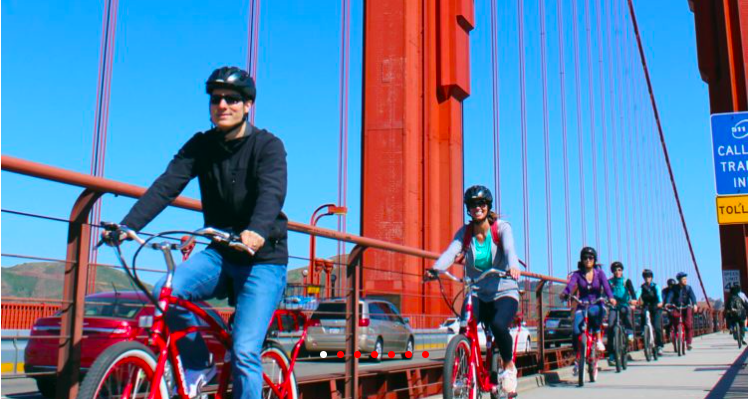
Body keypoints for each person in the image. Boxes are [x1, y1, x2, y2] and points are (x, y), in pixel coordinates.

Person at [103, 66, 288, 399]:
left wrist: (257, 231)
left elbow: (271, 193)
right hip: (220, 253)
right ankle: (197, 363)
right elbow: (166, 186)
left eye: (233, 99)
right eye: (216, 99)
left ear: (248, 105)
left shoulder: (268, 146)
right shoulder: (201, 145)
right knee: (167, 291)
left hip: (262, 259)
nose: (223, 105)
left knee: (245, 351)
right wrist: (129, 225)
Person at [428, 185, 522, 393]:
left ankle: (508, 367)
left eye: (481, 203)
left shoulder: (501, 228)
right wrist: (436, 269)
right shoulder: (465, 233)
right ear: (468, 209)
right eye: (472, 204)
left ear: (488, 206)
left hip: (503, 290)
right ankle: (466, 371)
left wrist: (513, 266)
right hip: (478, 291)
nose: (477, 207)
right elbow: (451, 252)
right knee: (464, 326)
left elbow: (509, 249)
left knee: (498, 326)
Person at [560, 247, 615, 375]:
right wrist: (565, 293)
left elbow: (606, 287)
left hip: (596, 303)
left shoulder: (600, 273)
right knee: (575, 331)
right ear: (582, 260)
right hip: (582, 304)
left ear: (594, 260)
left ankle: (598, 338)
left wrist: (611, 297)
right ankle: (577, 359)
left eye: (590, 258)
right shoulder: (577, 274)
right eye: (585, 258)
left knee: (594, 312)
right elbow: (570, 285)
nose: (588, 260)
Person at [606, 261, 637, 365]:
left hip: (624, 304)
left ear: (622, 270)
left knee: (626, 311)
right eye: (615, 270)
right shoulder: (609, 282)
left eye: (619, 270)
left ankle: (629, 333)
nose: (617, 272)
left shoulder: (626, 281)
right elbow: (605, 292)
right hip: (614, 306)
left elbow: (632, 292)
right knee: (610, 325)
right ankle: (611, 354)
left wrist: (633, 300)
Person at [666, 272, 698, 351]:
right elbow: (670, 296)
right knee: (675, 321)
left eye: (685, 279)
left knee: (688, 324)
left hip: (686, 307)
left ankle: (689, 343)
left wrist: (694, 304)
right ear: (679, 280)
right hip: (676, 307)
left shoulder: (688, 288)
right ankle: (677, 335)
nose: (685, 281)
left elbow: (693, 297)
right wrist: (667, 303)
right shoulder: (674, 288)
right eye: (683, 279)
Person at [636, 269, 663, 355]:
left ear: (651, 278)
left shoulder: (656, 286)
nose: (647, 278)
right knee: (643, 314)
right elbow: (637, 295)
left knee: (657, 326)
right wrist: (634, 301)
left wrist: (660, 302)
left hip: (655, 306)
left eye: (649, 277)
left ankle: (659, 346)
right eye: (645, 277)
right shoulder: (642, 287)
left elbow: (659, 295)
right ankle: (644, 331)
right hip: (646, 305)